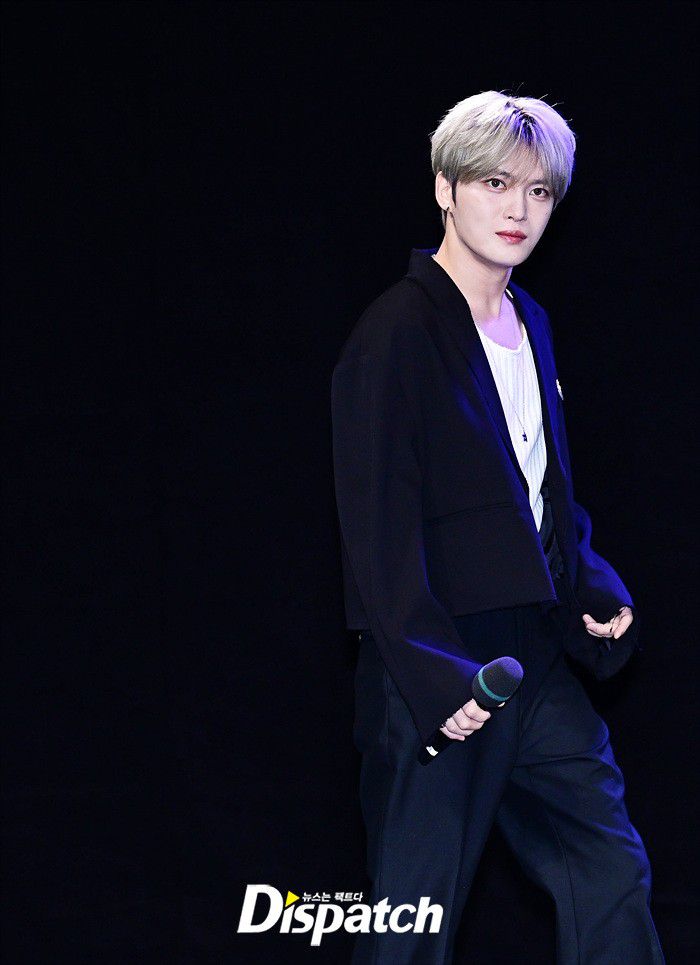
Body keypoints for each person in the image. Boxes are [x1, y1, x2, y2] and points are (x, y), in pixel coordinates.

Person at [330, 91, 665, 964]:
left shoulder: (530, 321)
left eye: (539, 191)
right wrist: (437, 678)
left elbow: (537, 492)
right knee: (412, 921)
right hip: (440, 665)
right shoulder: (395, 333)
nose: (518, 208)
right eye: (494, 183)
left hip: (536, 659)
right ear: (446, 189)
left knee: (608, 870)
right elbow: (377, 529)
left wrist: (588, 584)